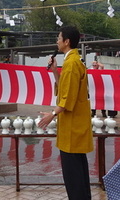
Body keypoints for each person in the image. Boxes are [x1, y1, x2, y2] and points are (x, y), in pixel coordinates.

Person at [38, 26, 93, 200]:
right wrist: (55, 71)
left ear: (67, 41)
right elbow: (66, 90)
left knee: (73, 174)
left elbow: (67, 99)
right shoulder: (75, 61)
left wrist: (52, 115)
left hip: (71, 127)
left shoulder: (71, 63)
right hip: (75, 124)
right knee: (79, 169)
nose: (57, 40)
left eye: (59, 37)